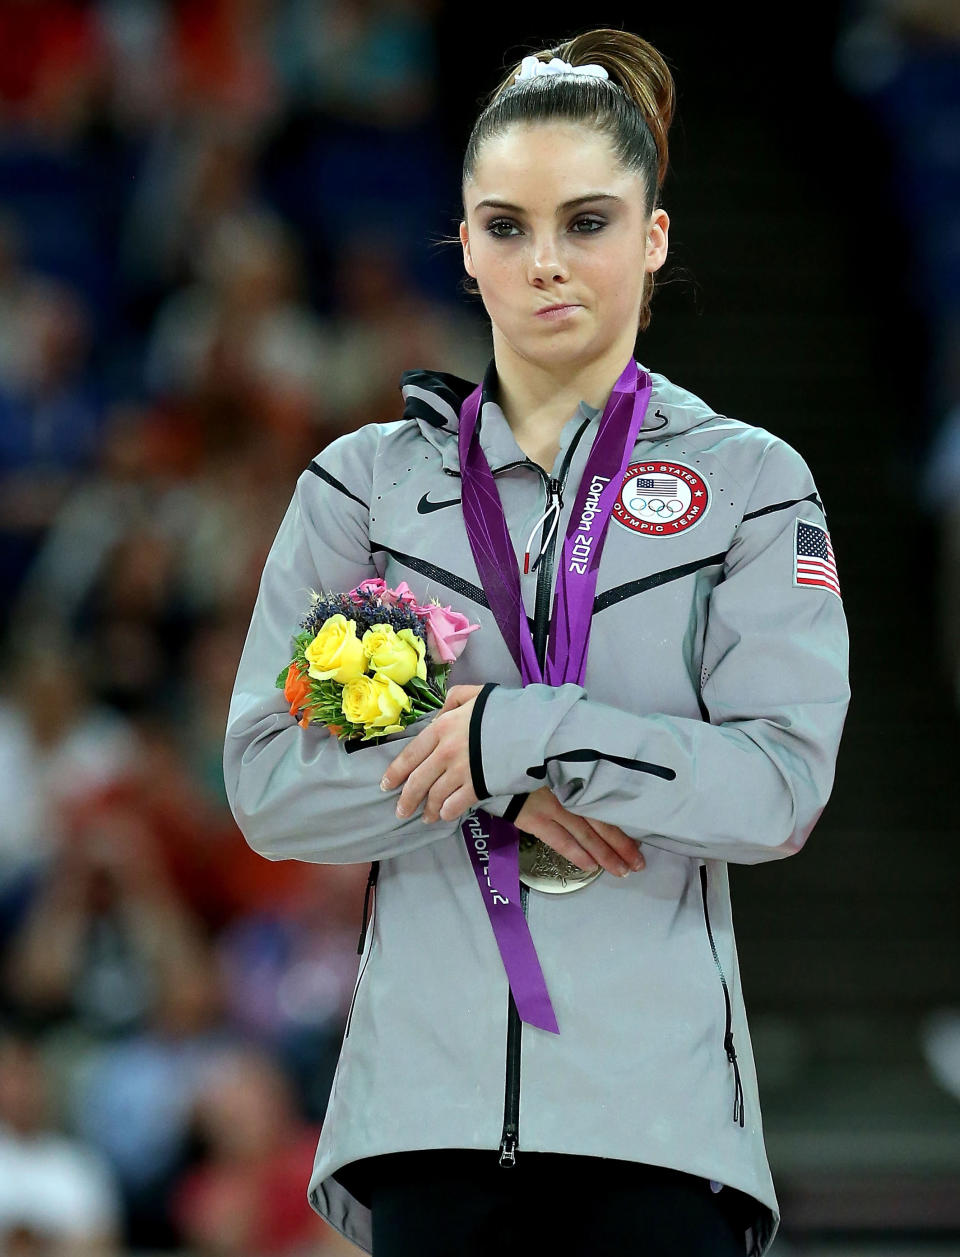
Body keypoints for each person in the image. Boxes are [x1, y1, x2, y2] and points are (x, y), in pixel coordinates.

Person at [223, 26, 851, 1257]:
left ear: (654, 239)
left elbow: (780, 786)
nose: (547, 263)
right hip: (425, 1130)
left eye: (590, 222)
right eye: (506, 226)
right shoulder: (364, 490)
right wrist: (483, 789)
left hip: (660, 1134)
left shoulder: (749, 486)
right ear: (463, 248)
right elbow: (269, 785)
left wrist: (518, 731)